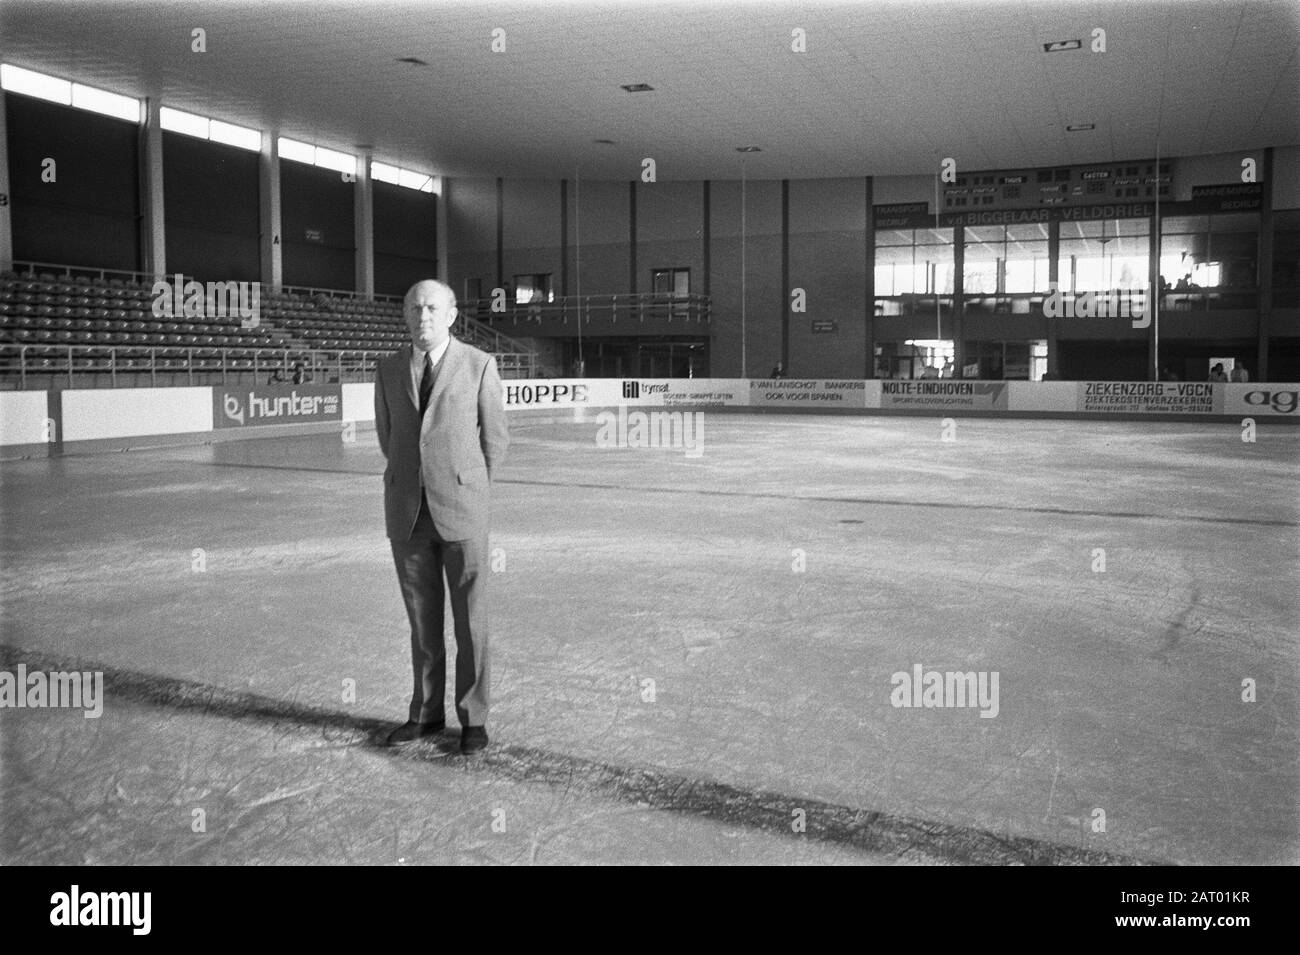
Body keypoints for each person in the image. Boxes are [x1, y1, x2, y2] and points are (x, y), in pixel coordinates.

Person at [374, 279, 509, 753]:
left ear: (451, 315)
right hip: (408, 513)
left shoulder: (479, 364)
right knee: (422, 622)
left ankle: (473, 718)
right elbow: (388, 436)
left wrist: (469, 490)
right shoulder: (388, 369)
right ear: (406, 315)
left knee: (472, 621)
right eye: (414, 308)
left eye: (432, 307)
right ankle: (426, 714)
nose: (422, 315)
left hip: (463, 511)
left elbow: (495, 441)